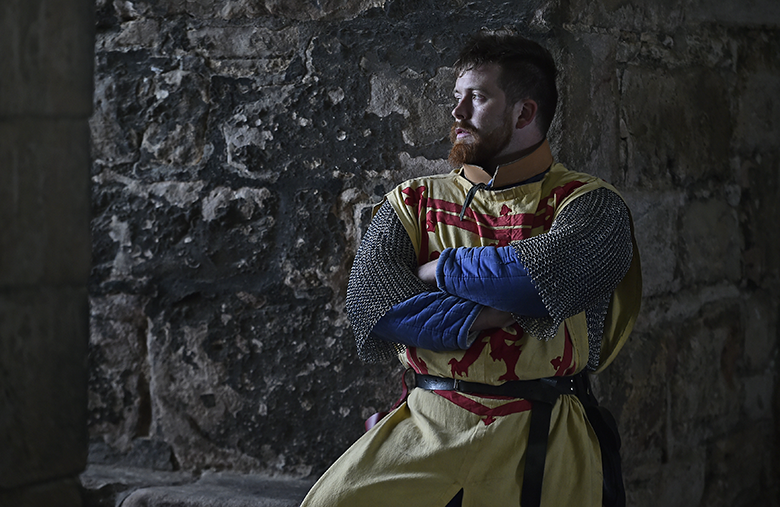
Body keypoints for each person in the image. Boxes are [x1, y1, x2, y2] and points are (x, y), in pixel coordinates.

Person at [301, 29, 641, 507]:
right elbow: (376, 307)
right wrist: (485, 315)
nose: (457, 114)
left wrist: (441, 269)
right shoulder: (413, 201)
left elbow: (535, 285)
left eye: (477, 98)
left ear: (524, 112)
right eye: (456, 98)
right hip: (428, 425)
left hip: (541, 431)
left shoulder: (589, 204)